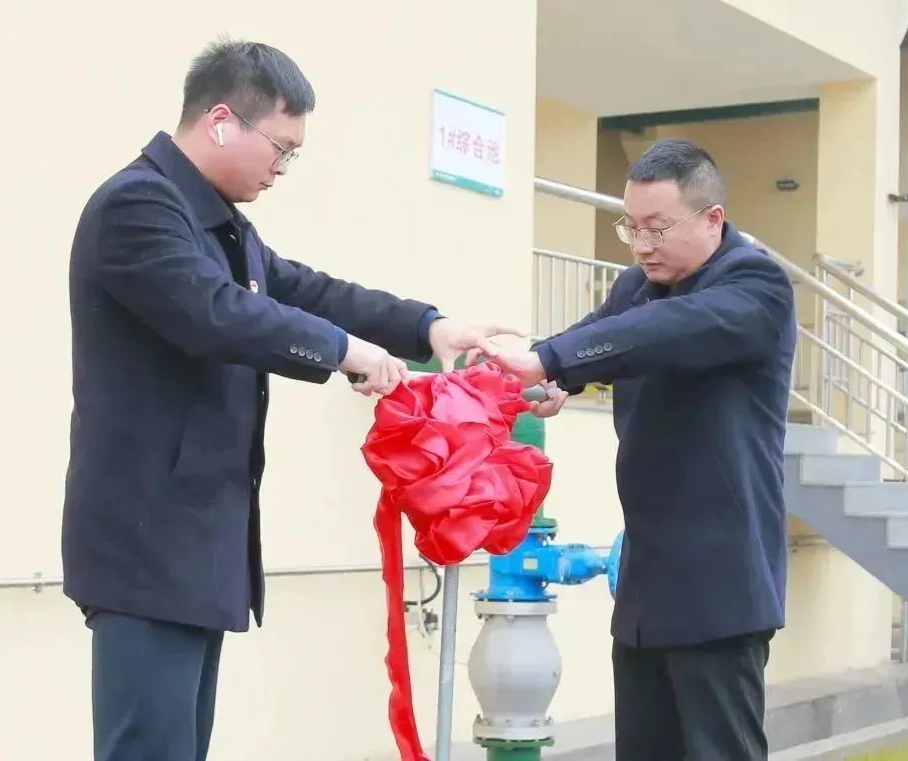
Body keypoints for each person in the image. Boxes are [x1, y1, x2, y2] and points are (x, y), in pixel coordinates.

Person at [62, 38, 514, 761]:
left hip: (192, 547)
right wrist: (344, 351)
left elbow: (306, 291)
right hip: (146, 546)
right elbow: (216, 314)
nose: (282, 167)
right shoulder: (137, 206)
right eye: (280, 147)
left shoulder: (218, 225)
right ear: (220, 121)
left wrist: (428, 328)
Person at [486, 139, 796, 760]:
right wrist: (551, 377)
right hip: (645, 583)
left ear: (712, 218)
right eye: (630, 227)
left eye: (657, 228)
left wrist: (553, 360)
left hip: (720, 586)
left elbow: (664, 333)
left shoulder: (756, 285)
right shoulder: (637, 285)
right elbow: (599, 336)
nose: (641, 245)